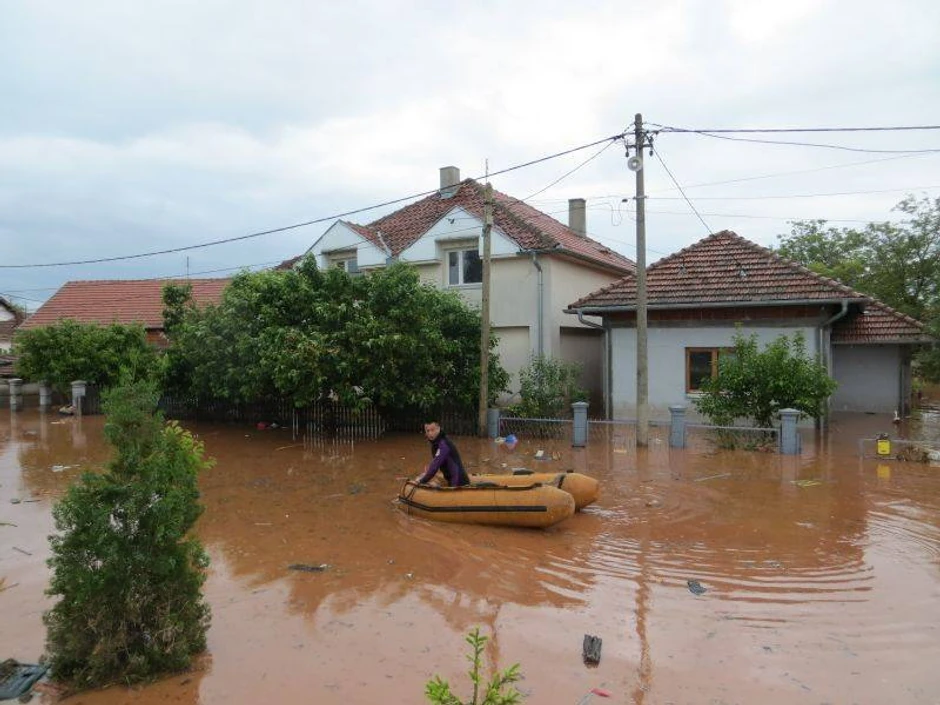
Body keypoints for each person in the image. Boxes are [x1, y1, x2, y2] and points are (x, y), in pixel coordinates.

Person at [416, 421, 470, 487]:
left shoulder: (443, 444)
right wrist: (427, 472)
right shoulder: (436, 444)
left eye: (432, 430)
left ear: (438, 428)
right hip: (451, 480)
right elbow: (436, 461)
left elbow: (435, 467)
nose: (430, 433)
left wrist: (421, 481)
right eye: (427, 431)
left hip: (458, 483)